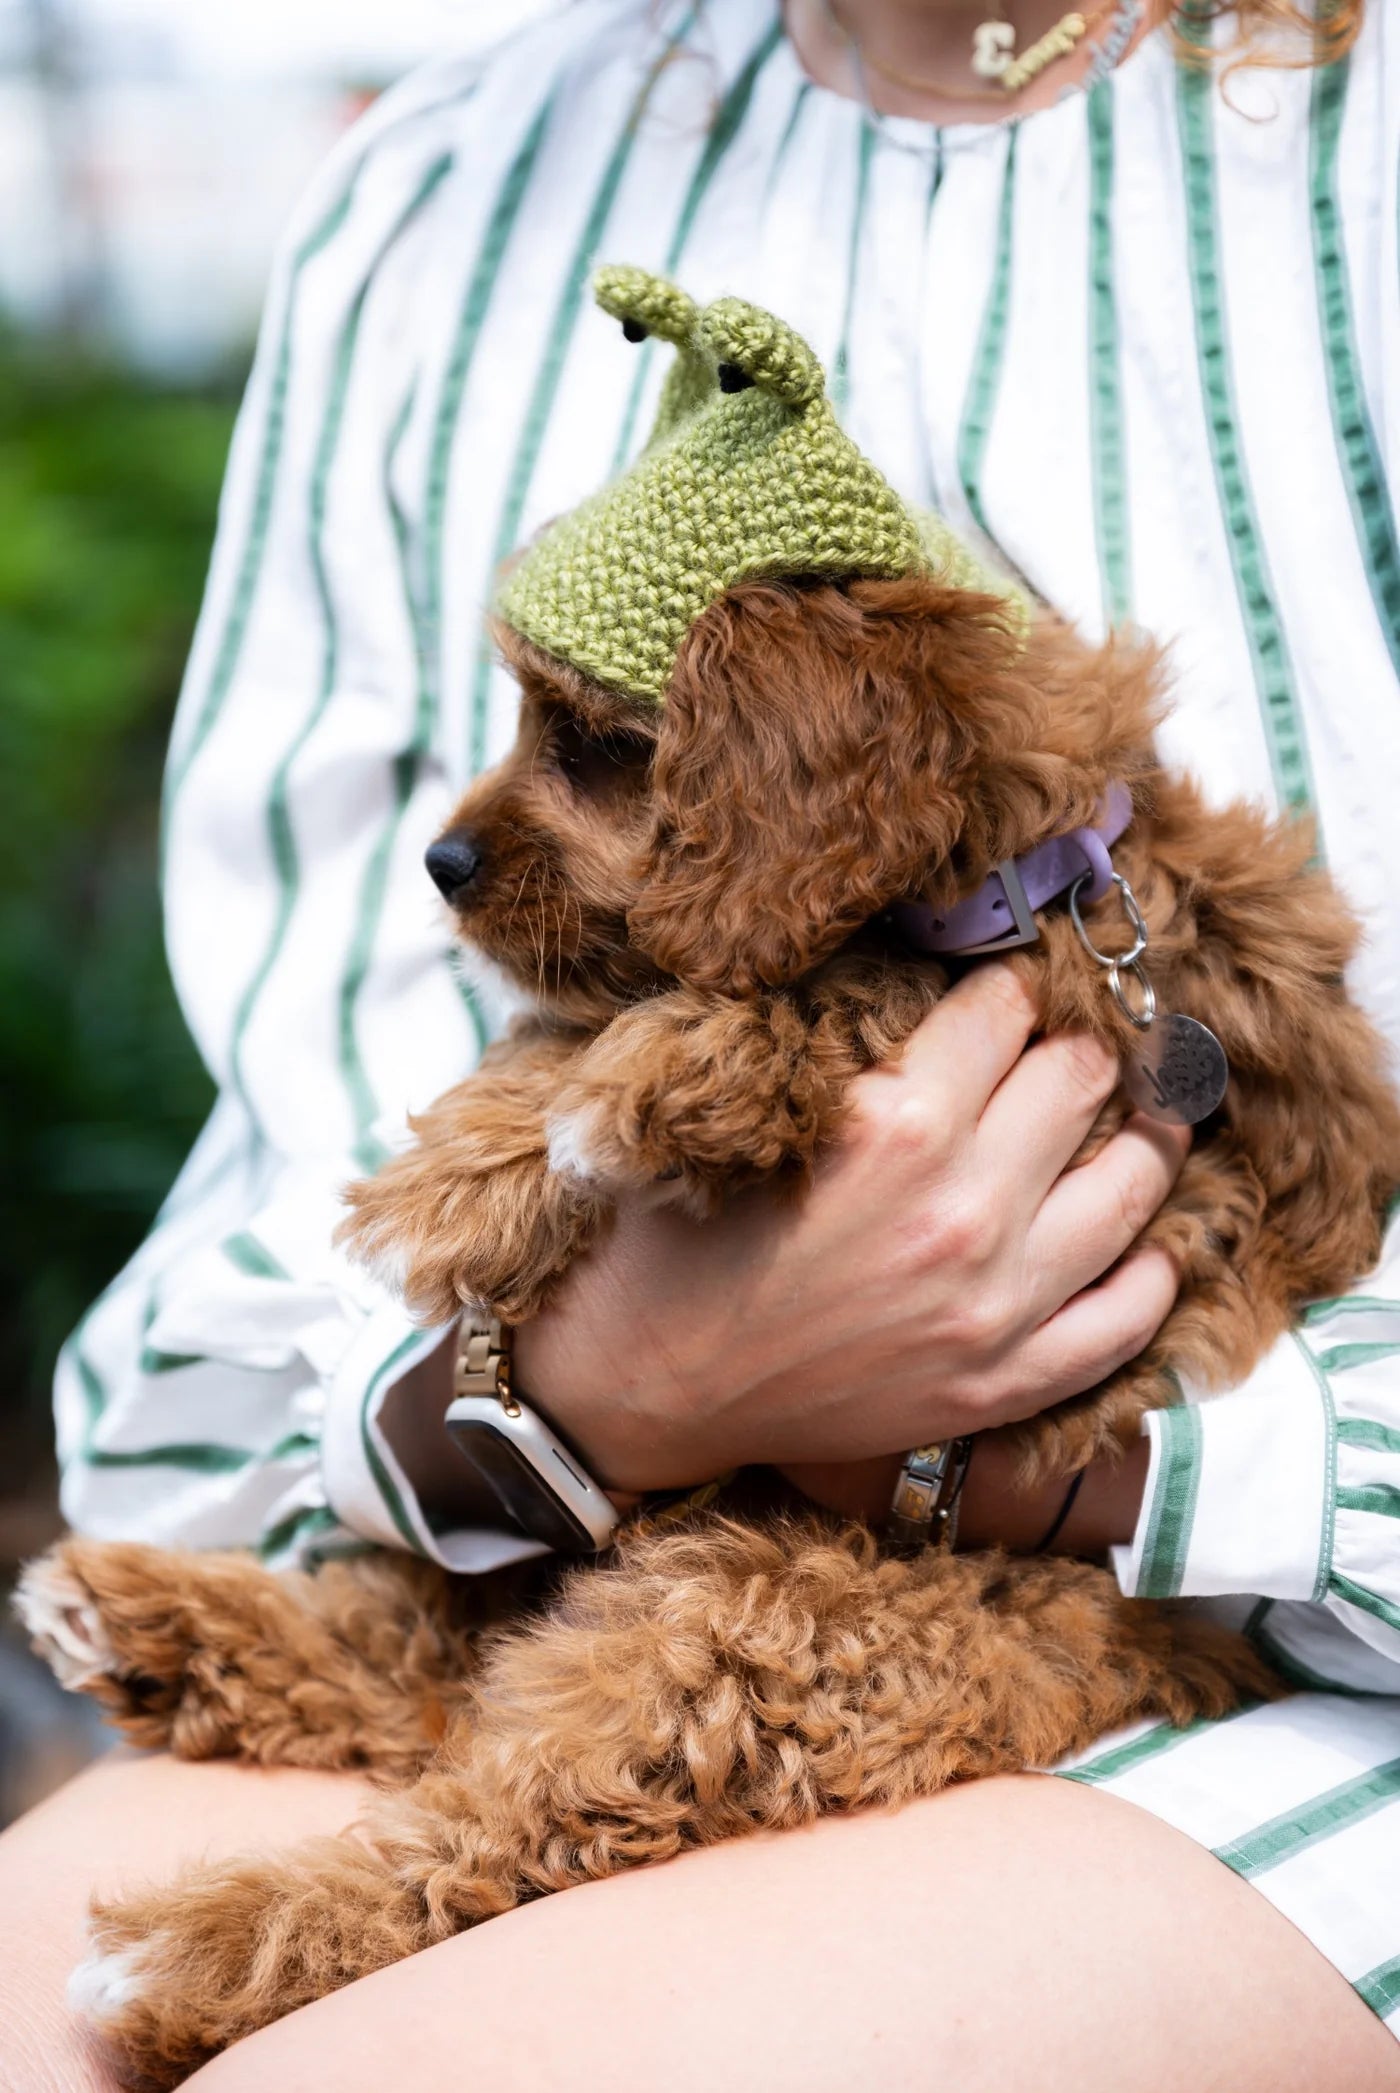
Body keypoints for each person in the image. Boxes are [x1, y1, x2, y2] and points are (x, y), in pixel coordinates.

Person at [5, 0, 1400, 2083]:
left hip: (1291, 1636)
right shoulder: (444, 193)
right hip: (566, 1566)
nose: (477, 843)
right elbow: (280, 1253)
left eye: (597, 759)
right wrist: (599, 1386)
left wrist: (1036, 1445)